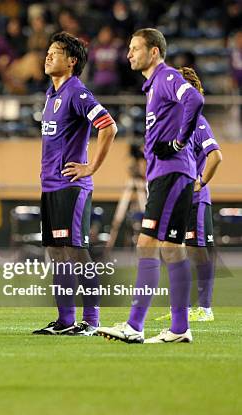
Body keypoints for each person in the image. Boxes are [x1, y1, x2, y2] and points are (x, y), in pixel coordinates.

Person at [98, 28, 204, 344]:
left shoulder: (166, 77)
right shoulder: (152, 86)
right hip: (167, 175)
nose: (129, 54)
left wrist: (179, 141)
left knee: (148, 244)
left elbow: (195, 98)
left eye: (134, 48)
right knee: (171, 249)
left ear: (153, 51)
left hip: (172, 174)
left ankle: (134, 325)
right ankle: (180, 328)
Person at [32, 32, 117, 336]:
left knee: (76, 252)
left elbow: (108, 125)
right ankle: (65, 320)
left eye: (54, 52)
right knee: (57, 253)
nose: (47, 56)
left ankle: (92, 321)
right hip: (50, 186)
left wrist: (91, 166)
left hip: (71, 187)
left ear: (71, 61)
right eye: (48, 51)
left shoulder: (77, 93)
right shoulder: (52, 94)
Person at [155, 67, 223, 322]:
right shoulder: (173, 124)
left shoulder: (198, 121)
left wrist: (201, 182)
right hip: (175, 199)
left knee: (198, 251)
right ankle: (180, 309)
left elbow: (216, 156)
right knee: (173, 252)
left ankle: (204, 308)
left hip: (195, 199)